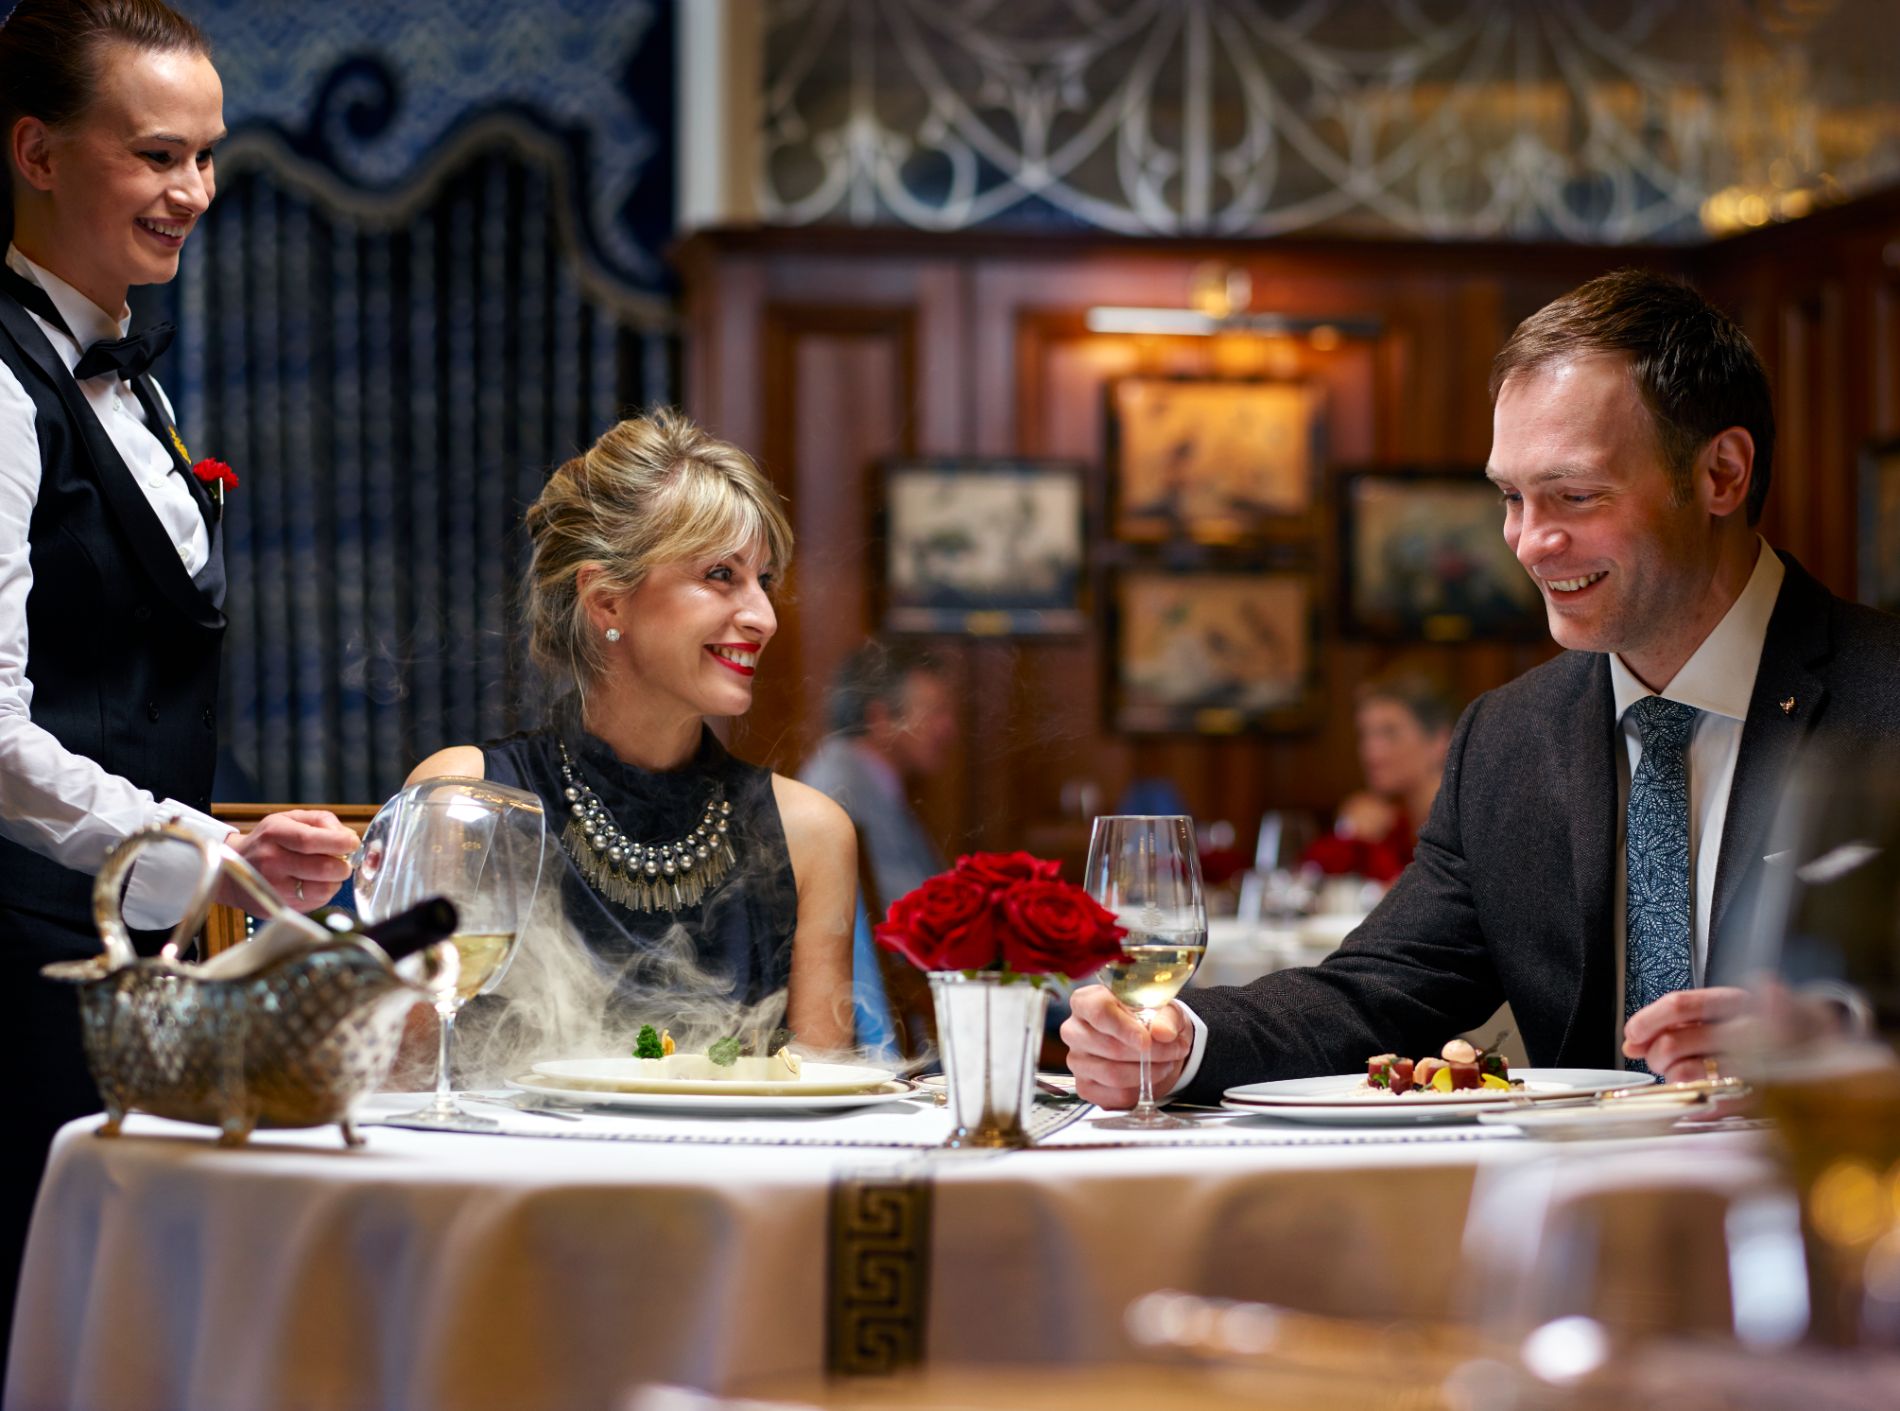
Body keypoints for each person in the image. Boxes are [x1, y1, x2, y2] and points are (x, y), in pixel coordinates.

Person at [1063, 268, 1900, 1107]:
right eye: (1511, 497)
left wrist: (1837, 1037)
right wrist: (1180, 1043)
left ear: (1722, 474)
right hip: (1574, 1218)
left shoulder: (1883, 693)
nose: (1531, 543)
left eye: (1574, 494)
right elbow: (1381, 991)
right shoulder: (1508, 737)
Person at [0, 0, 359, 1373]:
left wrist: (228, 852)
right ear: (37, 150)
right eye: (157, 154)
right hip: (21, 962)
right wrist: (203, 847)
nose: (193, 192)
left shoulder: (130, 377)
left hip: (114, 957)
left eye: (208, 156)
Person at [408, 409, 855, 1050]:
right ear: (607, 601)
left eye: (763, 581)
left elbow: (823, 1102)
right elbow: (409, 1084)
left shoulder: (811, 833)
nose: (763, 617)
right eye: (720, 575)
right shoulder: (466, 800)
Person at [799, 639, 958, 910]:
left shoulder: (864, 776)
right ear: (880, 719)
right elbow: (904, 913)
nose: (949, 728)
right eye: (935, 712)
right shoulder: (839, 788)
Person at [1303, 671, 1457, 882]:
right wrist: (1348, 832)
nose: (1371, 751)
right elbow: (1308, 876)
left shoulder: (1461, 828)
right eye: (1365, 734)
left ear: (1440, 741)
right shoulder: (1392, 823)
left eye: (1390, 732)